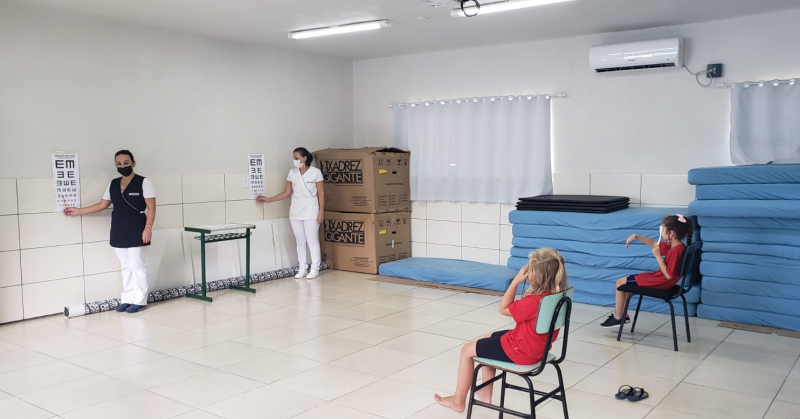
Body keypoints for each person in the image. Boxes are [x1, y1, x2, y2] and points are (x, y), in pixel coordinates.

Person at [434, 248, 569, 413]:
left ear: (538, 275)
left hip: (522, 351)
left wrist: (515, 282)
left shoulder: (535, 301)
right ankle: (485, 393)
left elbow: (503, 308)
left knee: (466, 350)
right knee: (487, 339)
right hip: (539, 348)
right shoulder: (555, 297)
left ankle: (458, 401)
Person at [65, 150, 156, 313]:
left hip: (137, 227)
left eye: (126, 163)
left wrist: (148, 227)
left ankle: (140, 300)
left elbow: (151, 207)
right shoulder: (113, 184)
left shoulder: (144, 182)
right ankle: (127, 298)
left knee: (137, 265)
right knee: (126, 266)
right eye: (119, 164)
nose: (122, 166)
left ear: (133, 163)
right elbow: (102, 205)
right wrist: (78, 211)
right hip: (118, 229)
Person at [600, 214, 694, 328]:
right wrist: (637, 236)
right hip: (662, 279)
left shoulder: (675, 251)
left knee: (619, 282)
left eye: (662, 230)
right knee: (627, 283)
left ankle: (618, 317)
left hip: (661, 281)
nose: (661, 233)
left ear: (671, 233)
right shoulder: (677, 246)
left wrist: (658, 257)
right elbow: (655, 244)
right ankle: (623, 315)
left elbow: (669, 275)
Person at [257, 147, 324, 279]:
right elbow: (286, 192)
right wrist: (269, 199)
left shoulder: (316, 172)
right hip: (295, 211)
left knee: (312, 239)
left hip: (311, 210)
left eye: (296, 158)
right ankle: (302, 268)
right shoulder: (292, 173)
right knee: (300, 240)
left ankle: (315, 268)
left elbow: (321, 193)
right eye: (294, 158)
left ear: (304, 158)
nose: (294, 160)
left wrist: (321, 211)